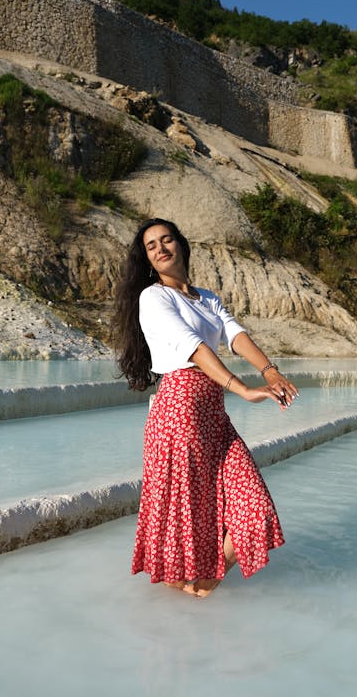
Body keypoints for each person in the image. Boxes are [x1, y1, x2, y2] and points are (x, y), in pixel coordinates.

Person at [111, 217, 299, 598]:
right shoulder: (154, 297)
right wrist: (244, 388)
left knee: (256, 505)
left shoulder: (207, 297)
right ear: (148, 259)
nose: (161, 248)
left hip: (213, 412)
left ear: (181, 244)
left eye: (167, 240)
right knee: (188, 512)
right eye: (152, 246)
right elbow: (192, 347)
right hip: (179, 409)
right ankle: (187, 600)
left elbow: (236, 335)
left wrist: (271, 372)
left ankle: (204, 582)